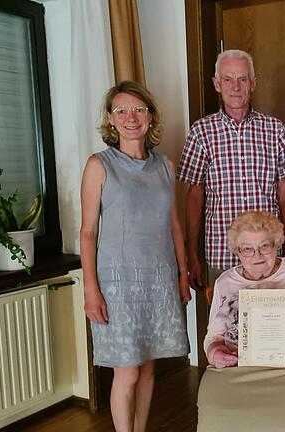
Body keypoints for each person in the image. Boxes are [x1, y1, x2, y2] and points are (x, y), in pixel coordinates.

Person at [80, 81, 191, 432]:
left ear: (151, 116)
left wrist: (183, 273)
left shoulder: (164, 166)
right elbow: (88, 232)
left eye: (139, 109)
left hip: (158, 280)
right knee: (127, 369)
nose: (131, 117)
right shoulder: (99, 165)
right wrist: (90, 290)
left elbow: (174, 225)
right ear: (110, 119)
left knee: (147, 366)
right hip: (119, 286)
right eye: (122, 110)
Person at [177, 49, 285, 292]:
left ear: (253, 83)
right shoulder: (201, 132)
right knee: (225, 327)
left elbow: (284, 193)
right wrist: (192, 254)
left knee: (272, 327)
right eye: (228, 79)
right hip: (221, 253)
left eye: (242, 79)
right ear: (216, 84)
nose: (235, 86)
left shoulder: (275, 129)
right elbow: (194, 195)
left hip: (268, 254)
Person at [197, 211, 285, 431]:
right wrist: (214, 352)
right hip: (236, 368)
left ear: (277, 244)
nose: (257, 255)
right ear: (237, 251)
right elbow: (212, 337)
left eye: (265, 246)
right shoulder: (225, 282)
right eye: (247, 249)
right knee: (216, 419)